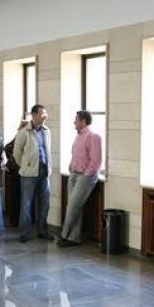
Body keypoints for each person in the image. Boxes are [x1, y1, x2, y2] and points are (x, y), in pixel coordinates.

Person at [57, 110, 102, 247]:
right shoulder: (79, 136)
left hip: (85, 176)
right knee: (74, 207)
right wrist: (71, 167)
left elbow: (96, 160)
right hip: (74, 175)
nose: (74, 123)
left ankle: (64, 235)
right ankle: (74, 238)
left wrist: (86, 174)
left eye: (76, 120)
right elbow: (76, 155)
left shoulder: (93, 136)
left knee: (72, 206)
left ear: (83, 121)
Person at [13, 104, 51, 243]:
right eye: (42, 113)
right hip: (28, 173)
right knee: (26, 204)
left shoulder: (46, 131)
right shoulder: (24, 132)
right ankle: (24, 233)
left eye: (45, 113)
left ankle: (42, 231)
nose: (45, 116)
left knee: (45, 203)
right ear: (34, 115)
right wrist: (25, 165)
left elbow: (47, 151)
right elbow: (16, 153)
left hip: (44, 171)